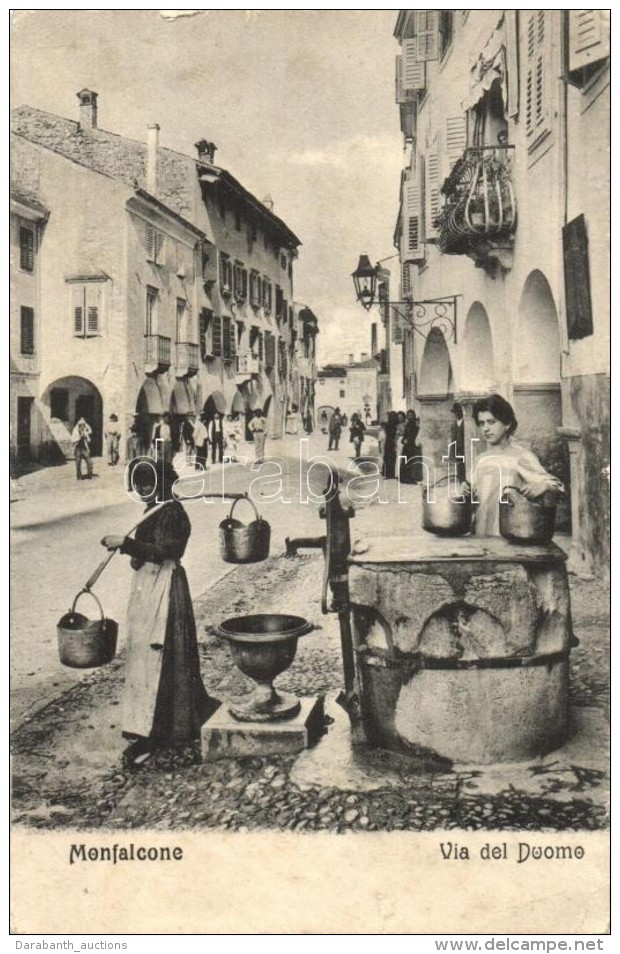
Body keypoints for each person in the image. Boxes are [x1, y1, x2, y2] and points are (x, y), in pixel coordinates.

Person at [101, 460, 217, 767]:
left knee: (161, 656)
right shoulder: (152, 509)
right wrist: (133, 554)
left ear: (162, 484)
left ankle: (163, 728)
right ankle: (146, 726)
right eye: (137, 485)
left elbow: (166, 551)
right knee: (144, 657)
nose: (141, 490)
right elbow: (145, 550)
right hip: (146, 588)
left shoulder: (171, 512)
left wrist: (126, 544)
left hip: (165, 588)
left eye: (147, 484)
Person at [467, 394, 564, 537]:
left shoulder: (521, 456)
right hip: (479, 535)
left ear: (507, 424)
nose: (486, 429)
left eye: (491, 422)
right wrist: (463, 491)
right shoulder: (480, 460)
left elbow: (557, 486)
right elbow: (470, 495)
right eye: (481, 423)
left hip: (510, 534)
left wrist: (544, 486)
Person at [400, 409, 421, 484]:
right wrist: (403, 440)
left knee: (410, 462)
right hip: (407, 447)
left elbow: (414, 435)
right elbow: (405, 435)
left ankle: (409, 478)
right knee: (405, 461)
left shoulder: (414, 425)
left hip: (411, 446)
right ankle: (404, 478)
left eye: (411, 415)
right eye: (408, 415)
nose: (410, 416)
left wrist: (408, 440)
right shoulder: (408, 424)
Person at [450, 403, 466, 482]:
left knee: (466, 467)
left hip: (465, 448)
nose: (456, 414)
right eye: (455, 412)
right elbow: (452, 438)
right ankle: (461, 484)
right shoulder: (454, 424)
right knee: (459, 468)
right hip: (457, 449)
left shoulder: (465, 422)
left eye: (457, 412)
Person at [382, 411, 398, 479]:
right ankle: (389, 473)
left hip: (390, 442)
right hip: (390, 442)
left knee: (390, 457)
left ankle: (389, 473)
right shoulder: (390, 425)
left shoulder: (389, 425)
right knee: (390, 457)